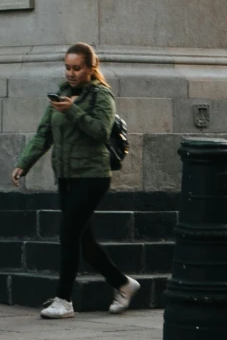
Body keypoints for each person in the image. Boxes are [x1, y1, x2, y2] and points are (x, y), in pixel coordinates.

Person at [12, 43, 141, 319]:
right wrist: (24, 164)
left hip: (93, 177)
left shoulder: (102, 96)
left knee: (69, 233)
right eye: (67, 67)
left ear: (90, 69)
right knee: (83, 241)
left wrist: (72, 110)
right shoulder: (61, 94)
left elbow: (99, 131)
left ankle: (64, 299)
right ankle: (123, 283)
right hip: (67, 177)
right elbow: (43, 135)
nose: (71, 73)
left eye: (77, 68)